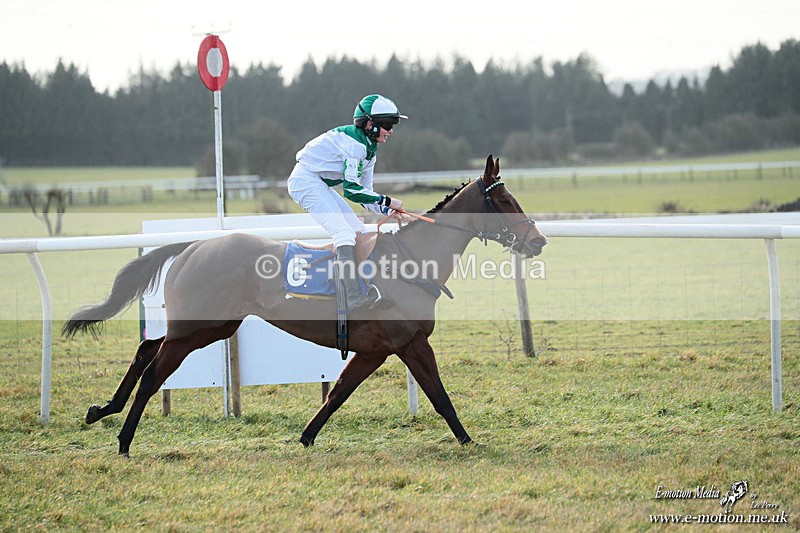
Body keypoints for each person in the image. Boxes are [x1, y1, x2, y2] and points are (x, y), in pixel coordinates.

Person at [288, 94, 408, 311]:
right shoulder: (355, 145)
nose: (391, 131)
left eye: (393, 125)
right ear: (370, 124)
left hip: (319, 183)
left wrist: (389, 208)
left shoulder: (370, 150)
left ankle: (362, 289)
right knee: (343, 233)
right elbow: (352, 191)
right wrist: (389, 200)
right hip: (304, 180)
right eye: (388, 125)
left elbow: (366, 195)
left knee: (358, 231)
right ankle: (353, 298)